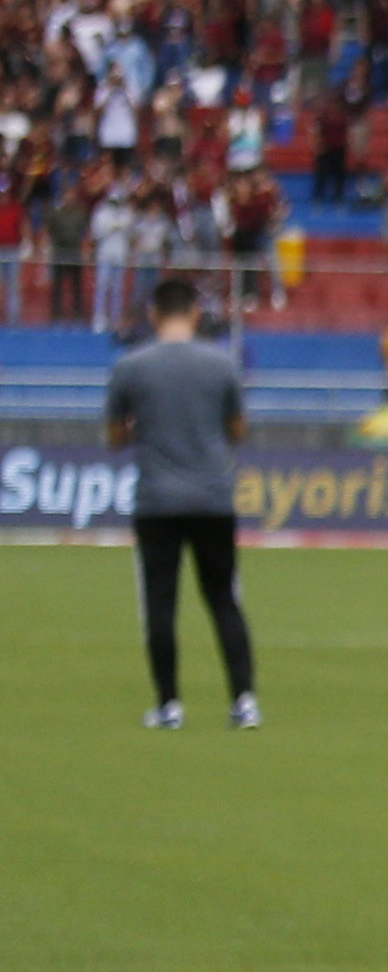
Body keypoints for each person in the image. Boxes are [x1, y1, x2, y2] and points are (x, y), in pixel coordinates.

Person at [103, 275, 257, 730]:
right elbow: (237, 431)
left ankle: (169, 705)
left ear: (153, 315)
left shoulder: (130, 367)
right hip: (212, 497)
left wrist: (148, 426)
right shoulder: (222, 363)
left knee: (160, 603)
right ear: (194, 313)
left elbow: (114, 438)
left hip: (157, 500)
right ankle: (243, 700)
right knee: (223, 598)